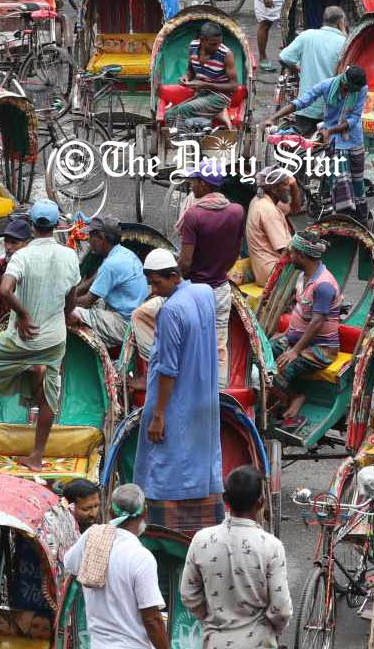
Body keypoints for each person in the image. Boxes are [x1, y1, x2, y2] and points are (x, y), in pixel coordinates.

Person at [0, 199, 81, 471]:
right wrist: (64, 317)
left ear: (32, 226)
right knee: (48, 399)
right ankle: (37, 456)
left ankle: (27, 373)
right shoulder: (69, 255)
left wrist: (23, 314)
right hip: (54, 339)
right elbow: (72, 297)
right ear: (56, 226)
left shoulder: (22, 256)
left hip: (23, 338)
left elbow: (5, 290)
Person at [139, 249, 223, 535]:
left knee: (166, 465)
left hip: (176, 401)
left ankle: (166, 532)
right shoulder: (204, 293)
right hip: (204, 398)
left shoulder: (170, 311)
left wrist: (159, 414)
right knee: (202, 460)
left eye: (157, 283)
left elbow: (168, 370)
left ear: (174, 276)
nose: (154, 290)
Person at [180, 465, 293, 649]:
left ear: (225, 499)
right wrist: (272, 629)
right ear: (261, 501)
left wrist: (212, 617)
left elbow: (188, 594)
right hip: (259, 642)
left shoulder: (201, 540)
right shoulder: (271, 546)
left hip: (215, 642)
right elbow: (281, 609)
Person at [62, 484, 170, 649]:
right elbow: (152, 619)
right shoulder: (141, 557)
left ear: (111, 512)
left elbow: (69, 564)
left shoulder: (91, 537)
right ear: (145, 512)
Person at [265, 232, 341, 430]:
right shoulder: (302, 276)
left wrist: (295, 350)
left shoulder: (323, 285)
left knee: (279, 371)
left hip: (322, 348)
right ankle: (282, 398)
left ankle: (294, 398)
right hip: (294, 340)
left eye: (292, 253)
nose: (289, 256)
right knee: (260, 354)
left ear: (302, 255)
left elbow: (317, 322)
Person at [273, 65, 370, 218]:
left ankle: (361, 217)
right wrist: (272, 118)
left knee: (358, 181)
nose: (354, 93)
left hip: (353, 138)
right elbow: (301, 102)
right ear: (345, 84)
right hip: (333, 140)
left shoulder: (361, 89)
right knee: (339, 182)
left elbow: (354, 118)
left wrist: (330, 131)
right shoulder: (327, 85)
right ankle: (342, 218)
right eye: (351, 90)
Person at [176, 165, 244, 378]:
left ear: (204, 185)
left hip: (196, 290)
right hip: (221, 288)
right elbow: (235, 251)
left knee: (189, 345)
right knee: (218, 347)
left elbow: (185, 262)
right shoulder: (236, 211)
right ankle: (219, 397)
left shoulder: (193, 215)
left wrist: (175, 278)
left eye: (195, 181)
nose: (192, 185)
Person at [68, 218, 148, 351]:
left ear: (101, 237)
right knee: (85, 303)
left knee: (71, 312)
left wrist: (64, 303)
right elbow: (92, 281)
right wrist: (70, 294)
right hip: (133, 314)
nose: (88, 241)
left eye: (91, 237)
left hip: (125, 324)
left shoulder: (111, 265)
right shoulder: (123, 253)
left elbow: (87, 300)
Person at [278, 6, 348, 129]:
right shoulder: (345, 43)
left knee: (303, 145)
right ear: (341, 22)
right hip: (331, 110)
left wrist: (297, 67)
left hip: (305, 106)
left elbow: (284, 57)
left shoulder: (307, 36)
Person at [169, 22, 242, 130]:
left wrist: (206, 85)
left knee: (184, 110)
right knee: (169, 115)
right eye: (213, 44)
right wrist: (186, 77)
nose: (217, 47)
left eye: (219, 43)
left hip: (220, 97)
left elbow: (234, 86)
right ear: (202, 40)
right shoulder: (193, 46)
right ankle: (180, 140)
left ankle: (184, 142)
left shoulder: (226, 54)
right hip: (202, 94)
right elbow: (190, 70)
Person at [245, 166, 301, 292]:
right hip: (271, 272)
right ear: (274, 189)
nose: (288, 188)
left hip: (264, 268)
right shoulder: (268, 210)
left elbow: (295, 209)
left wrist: (294, 186)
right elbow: (286, 249)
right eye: (285, 185)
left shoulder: (262, 200)